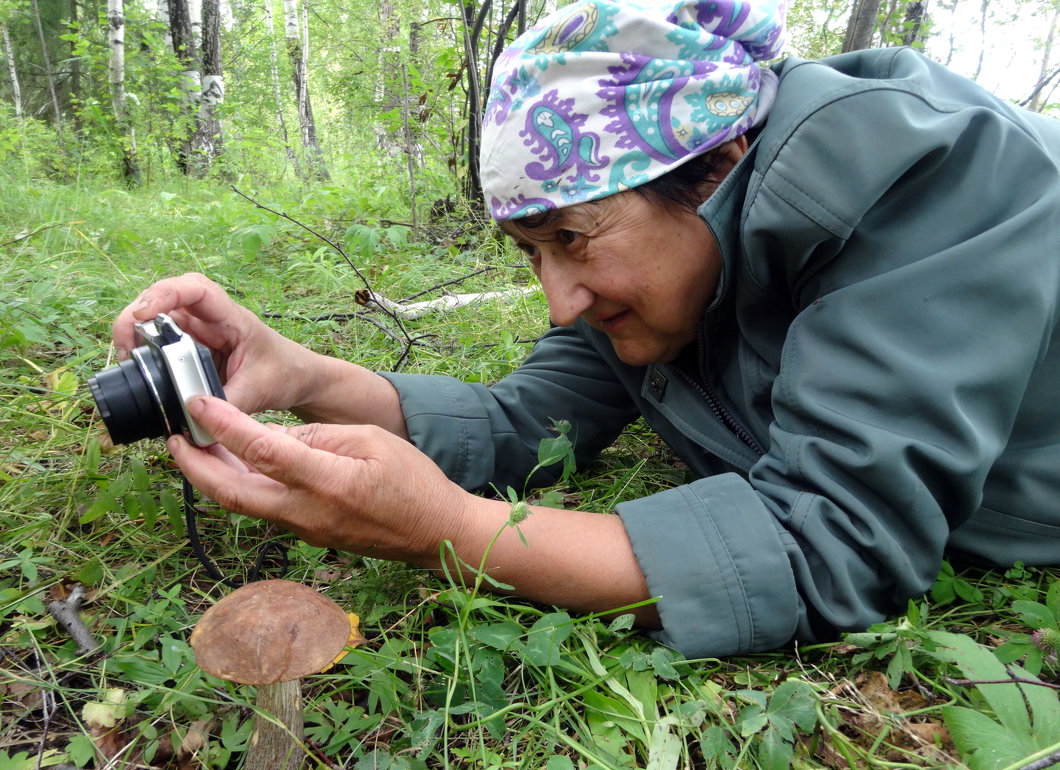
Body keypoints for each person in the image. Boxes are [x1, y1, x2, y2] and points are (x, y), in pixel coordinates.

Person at [111, 0, 1060, 659]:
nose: (561, 301)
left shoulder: (922, 178)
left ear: (716, 167)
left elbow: (834, 543)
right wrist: (297, 372)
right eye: (532, 252)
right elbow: (528, 421)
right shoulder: (665, 278)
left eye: (572, 237)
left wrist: (450, 532)